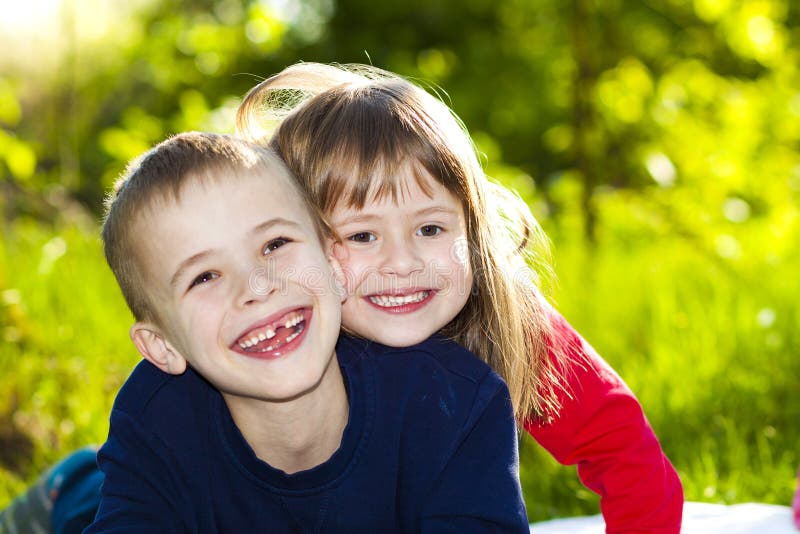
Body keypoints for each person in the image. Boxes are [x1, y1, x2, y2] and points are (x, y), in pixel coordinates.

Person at [236, 62, 685, 533]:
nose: (403, 262)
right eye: (363, 235)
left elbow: (622, 448)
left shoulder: (507, 318)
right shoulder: (278, 335)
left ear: (471, 229)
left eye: (430, 228)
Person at [82, 132, 528, 531]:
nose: (256, 288)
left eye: (275, 245)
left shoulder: (453, 402)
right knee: (82, 502)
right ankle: (70, 484)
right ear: (161, 346)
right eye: (204, 277)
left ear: (333, 265)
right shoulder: (155, 422)